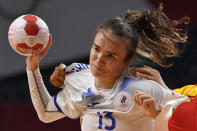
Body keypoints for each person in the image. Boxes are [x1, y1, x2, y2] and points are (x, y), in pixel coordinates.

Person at [26, 4, 189, 131]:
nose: (99, 59)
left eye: (110, 55)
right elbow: (46, 113)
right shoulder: (82, 81)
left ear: (127, 60)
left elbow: (190, 109)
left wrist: (163, 101)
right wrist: (32, 69)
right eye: (96, 49)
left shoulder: (144, 90)